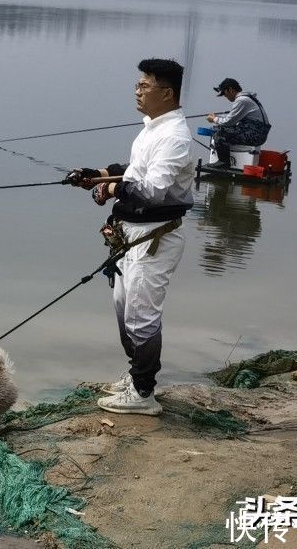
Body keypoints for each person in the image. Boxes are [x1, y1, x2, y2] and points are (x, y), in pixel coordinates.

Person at [71, 58, 195, 416]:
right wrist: (97, 174)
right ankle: (136, 377)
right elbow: (134, 172)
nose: (137, 91)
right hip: (130, 237)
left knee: (142, 318)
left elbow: (153, 190)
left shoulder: (175, 137)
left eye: (145, 86)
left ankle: (144, 394)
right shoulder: (151, 129)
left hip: (155, 238)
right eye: (138, 84)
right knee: (124, 310)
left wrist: (110, 189)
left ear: (166, 93)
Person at [205, 78, 271, 168]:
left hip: (256, 135)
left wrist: (214, 119)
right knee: (219, 128)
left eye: (225, 94)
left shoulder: (241, 100)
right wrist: (217, 118)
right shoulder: (246, 98)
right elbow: (232, 119)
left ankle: (224, 162)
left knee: (219, 132)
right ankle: (223, 159)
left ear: (230, 90)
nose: (225, 97)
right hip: (257, 132)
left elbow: (228, 122)